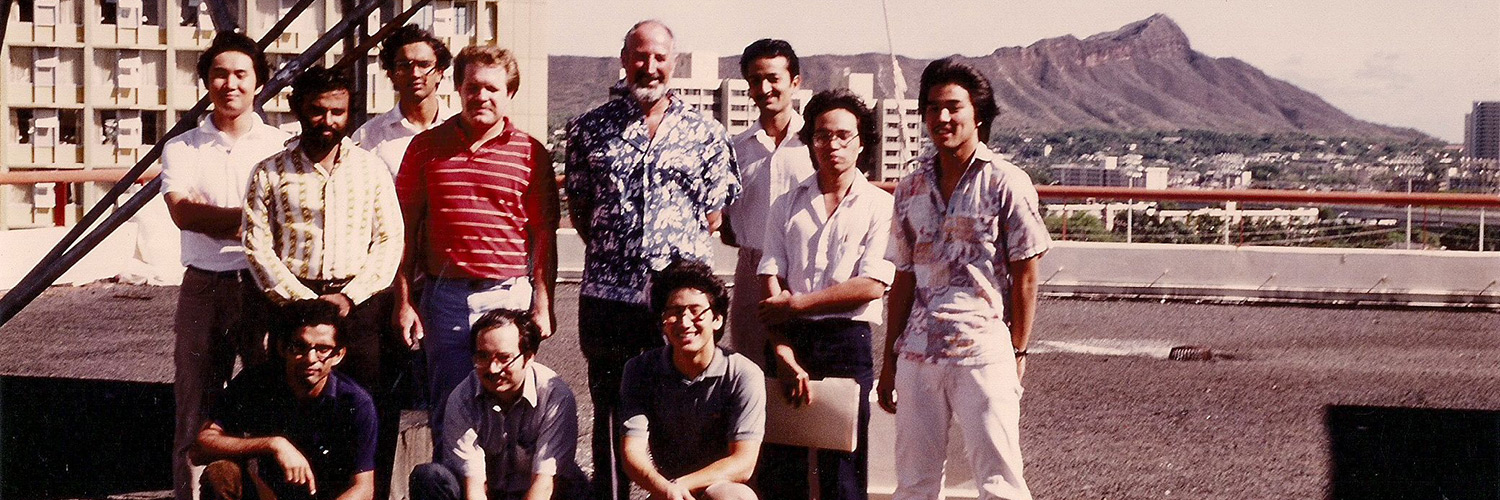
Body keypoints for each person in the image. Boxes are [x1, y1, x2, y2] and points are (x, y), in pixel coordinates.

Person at [563, 19, 739, 499]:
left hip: (679, 306)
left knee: (690, 411)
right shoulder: (587, 129)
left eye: (660, 57)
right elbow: (582, 210)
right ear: (624, 60)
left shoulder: (707, 132)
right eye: (640, 56)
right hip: (608, 301)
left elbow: (713, 215)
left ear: (673, 63)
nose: (650, 66)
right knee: (612, 415)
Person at [876, 57, 1051, 500]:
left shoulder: (1006, 182)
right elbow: (902, 277)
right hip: (918, 355)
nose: (942, 118)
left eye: (953, 106)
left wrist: (1019, 349)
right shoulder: (911, 187)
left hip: (983, 352)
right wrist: (890, 360)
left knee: (999, 480)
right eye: (933, 108)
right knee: (914, 482)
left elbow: (1026, 274)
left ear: (979, 114)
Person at [241, 65, 405, 497]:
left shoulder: (371, 170)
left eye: (337, 112)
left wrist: (348, 297)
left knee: (368, 412)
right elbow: (257, 245)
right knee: (286, 410)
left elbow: (390, 241)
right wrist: (303, 304)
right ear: (298, 108)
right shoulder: (268, 172)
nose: (327, 122)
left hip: (359, 304)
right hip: (290, 304)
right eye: (317, 111)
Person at [394, 45, 559, 447]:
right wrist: (403, 302)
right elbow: (404, 232)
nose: (481, 97)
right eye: (472, 87)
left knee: (512, 407)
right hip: (444, 298)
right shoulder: (425, 148)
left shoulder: (532, 153)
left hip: (508, 296)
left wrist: (542, 303)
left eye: (492, 89)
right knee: (449, 410)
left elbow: (543, 235)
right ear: (458, 88)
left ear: (509, 94)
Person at [160, 31, 291, 500]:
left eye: (241, 74)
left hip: (264, 286)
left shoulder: (282, 145)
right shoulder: (183, 146)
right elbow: (185, 214)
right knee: (194, 402)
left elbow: (292, 218)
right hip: (203, 287)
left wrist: (229, 221)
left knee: (268, 399)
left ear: (258, 83)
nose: (229, 83)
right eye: (219, 73)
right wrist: (258, 216)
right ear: (206, 81)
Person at [755, 89, 893, 500]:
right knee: (783, 466)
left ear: (861, 142)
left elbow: (870, 285)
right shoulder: (786, 204)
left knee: (843, 471)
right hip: (788, 339)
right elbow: (770, 273)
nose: (831, 145)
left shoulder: (880, 206)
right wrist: (781, 351)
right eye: (821, 136)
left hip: (845, 341)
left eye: (843, 136)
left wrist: (797, 304)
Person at [193, 300, 377, 500]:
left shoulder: (355, 403)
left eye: (323, 349)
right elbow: (201, 448)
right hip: (269, 495)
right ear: (282, 348)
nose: (310, 358)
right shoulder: (257, 382)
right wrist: (274, 444)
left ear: (338, 355)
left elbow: (364, 488)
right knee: (221, 473)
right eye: (299, 346)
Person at [619, 260, 764, 500]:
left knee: (737, 497)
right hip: (666, 491)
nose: (685, 322)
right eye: (674, 313)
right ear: (663, 322)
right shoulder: (639, 370)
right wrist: (667, 490)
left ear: (716, 319)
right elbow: (632, 453)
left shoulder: (743, 373)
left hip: (718, 485)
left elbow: (743, 462)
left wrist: (680, 485)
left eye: (696, 311)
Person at [409, 309, 587, 500]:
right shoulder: (461, 398)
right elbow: (474, 487)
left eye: (504, 358)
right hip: (488, 492)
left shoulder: (555, 395)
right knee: (430, 477)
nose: (493, 369)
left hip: (538, 491)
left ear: (528, 358)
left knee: (577, 484)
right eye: (483, 357)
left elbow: (543, 486)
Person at [720, 38, 815, 368]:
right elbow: (729, 226)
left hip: (807, 271)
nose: (765, 87)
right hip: (752, 271)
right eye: (756, 79)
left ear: (794, 82)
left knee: (806, 370)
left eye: (774, 78)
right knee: (749, 368)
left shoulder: (816, 144)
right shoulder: (737, 149)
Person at [352, 24, 454, 175]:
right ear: (391, 74)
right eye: (404, 66)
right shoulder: (368, 136)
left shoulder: (461, 128)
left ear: (440, 72)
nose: (415, 73)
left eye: (424, 64)